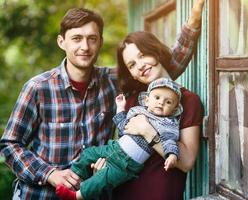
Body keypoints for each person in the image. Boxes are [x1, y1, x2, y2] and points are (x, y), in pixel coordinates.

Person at [0, 2, 203, 199]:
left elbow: (160, 71)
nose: (85, 47)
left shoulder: (113, 82)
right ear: (62, 42)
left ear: (100, 42)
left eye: (92, 39)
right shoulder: (38, 88)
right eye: (77, 38)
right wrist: (49, 174)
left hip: (91, 191)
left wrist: (193, 22)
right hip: (40, 195)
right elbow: (9, 144)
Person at [108, 1, 205, 199]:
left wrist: (149, 133)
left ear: (155, 51)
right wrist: (105, 162)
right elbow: (123, 148)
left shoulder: (188, 100)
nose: (141, 66)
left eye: (143, 55)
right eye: (132, 65)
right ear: (132, 74)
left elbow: (186, 161)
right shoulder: (134, 100)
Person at [55, 78, 184, 200]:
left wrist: (172, 154)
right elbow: (123, 128)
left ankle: (75, 196)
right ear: (147, 100)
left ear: (174, 110)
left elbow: (169, 141)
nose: (161, 102)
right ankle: (76, 176)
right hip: (113, 148)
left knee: (101, 180)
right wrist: (120, 108)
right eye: (157, 97)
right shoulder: (138, 112)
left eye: (168, 102)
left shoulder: (167, 124)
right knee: (88, 153)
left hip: (126, 165)